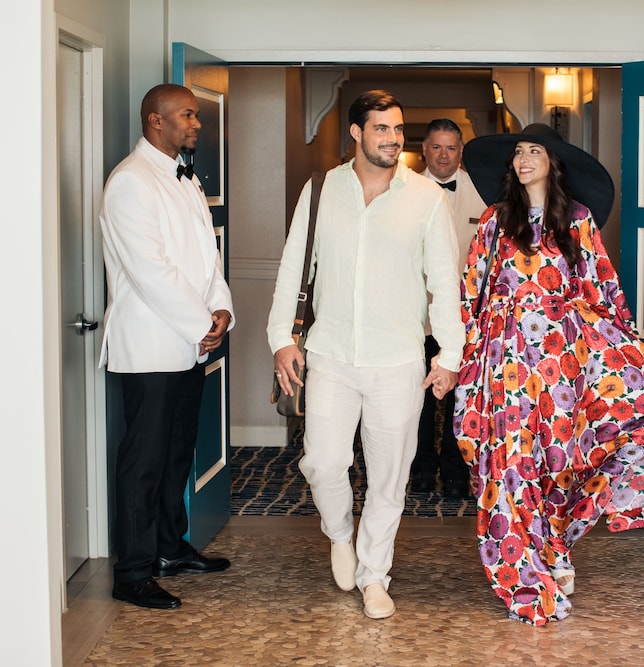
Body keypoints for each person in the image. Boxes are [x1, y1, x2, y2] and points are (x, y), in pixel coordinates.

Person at [454, 123, 644, 626]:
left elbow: (602, 292)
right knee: (511, 465)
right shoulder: (494, 221)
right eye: (518, 152)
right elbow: (471, 293)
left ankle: (555, 549)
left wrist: (625, 354)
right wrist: (465, 359)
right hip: (504, 363)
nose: (523, 159)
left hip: (562, 365)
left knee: (558, 461)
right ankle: (523, 572)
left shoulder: (577, 220)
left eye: (534, 151)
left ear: (552, 163)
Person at [267, 90, 464, 620]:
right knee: (321, 461)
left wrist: (449, 354)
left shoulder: (427, 197)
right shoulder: (321, 189)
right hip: (329, 355)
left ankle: (375, 575)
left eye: (398, 129)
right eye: (381, 128)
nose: (393, 138)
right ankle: (339, 534)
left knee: (388, 477)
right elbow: (293, 266)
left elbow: (445, 282)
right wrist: (281, 337)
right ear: (356, 133)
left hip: (398, 361)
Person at [99, 83, 236, 610]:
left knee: (177, 452)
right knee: (144, 461)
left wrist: (221, 309)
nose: (196, 123)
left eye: (196, 115)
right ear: (156, 120)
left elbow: (207, 257)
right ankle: (132, 573)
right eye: (187, 114)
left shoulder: (186, 178)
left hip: (189, 343)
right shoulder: (130, 182)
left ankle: (168, 548)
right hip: (151, 346)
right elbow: (150, 271)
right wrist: (202, 322)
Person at [412, 118, 488, 498]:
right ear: (425, 149)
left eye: (451, 148)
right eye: (437, 147)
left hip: (468, 316)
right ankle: (422, 467)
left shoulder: (483, 192)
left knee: (463, 396)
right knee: (420, 397)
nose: (444, 155)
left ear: (461, 152)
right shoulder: (405, 190)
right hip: (419, 313)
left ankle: (457, 470)